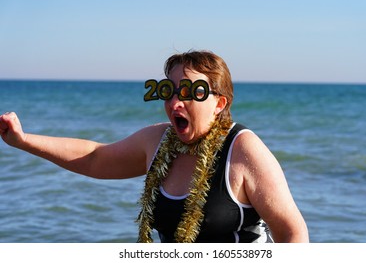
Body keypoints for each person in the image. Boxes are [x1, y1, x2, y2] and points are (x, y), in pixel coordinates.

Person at [0, 50, 309, 243]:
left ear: (219, 103)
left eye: (190, 92)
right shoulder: (157, 141)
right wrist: (23, 141)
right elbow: (95, 158)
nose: (176, 102)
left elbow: (293, 232)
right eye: (169, 92)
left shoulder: (243, 150)